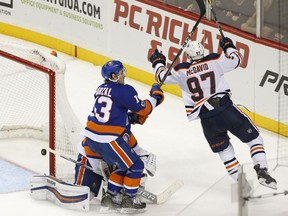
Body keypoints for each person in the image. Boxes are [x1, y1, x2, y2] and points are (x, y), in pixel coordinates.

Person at [149, 38, 277, 190]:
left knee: (225, 151)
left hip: (207, 119)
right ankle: (261, 170)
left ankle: (241, 183)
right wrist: (228, 46)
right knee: (255, 140)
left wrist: (158, 61)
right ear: (202, 51)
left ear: (188, 55)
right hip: (226, 110)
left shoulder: (181, 70)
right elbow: (237, 60)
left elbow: (161, 77)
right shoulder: (214, 60)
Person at [74, 60, 164, 213]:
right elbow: (144, 108)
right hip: (108, 139)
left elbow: (110, 113)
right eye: (121, 72)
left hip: (90, 139)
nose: (124, 75)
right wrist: (156, 96)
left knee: (123, 166)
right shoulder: (124, 90)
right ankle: (129, 200)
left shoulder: (100, 88)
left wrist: (129, 118)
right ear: (114, 76)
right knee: (136, 166)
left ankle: (110, 198)